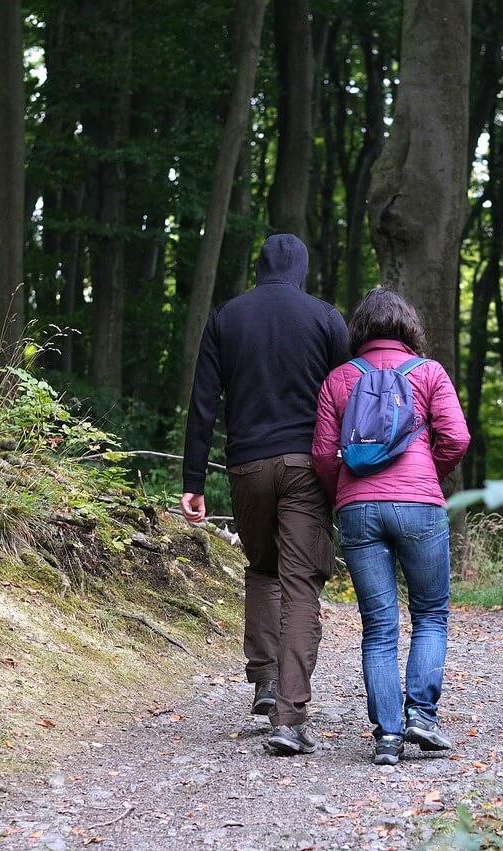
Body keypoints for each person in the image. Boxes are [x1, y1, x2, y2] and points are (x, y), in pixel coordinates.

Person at [181, 233, 350, 756]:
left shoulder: (226, 317)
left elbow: (203, 402)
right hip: (306, 465)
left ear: (258, 268)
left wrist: (192, 481)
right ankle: (289, 718)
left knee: (262, 569)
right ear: (301, 268)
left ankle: (265, 681)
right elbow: (349, 392)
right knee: (301, 586)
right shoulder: (326, 317)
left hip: (246, 465)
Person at [311, 288, 470, 766]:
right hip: (419, 505)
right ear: (409, 328)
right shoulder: (429, 373)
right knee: (430, 614)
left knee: (379, 626)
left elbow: (321, 453)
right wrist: (428, 476)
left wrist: (346, 488)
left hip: (358, 509)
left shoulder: (338, 379)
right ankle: (422, 715)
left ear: (358, 330)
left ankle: (387, 737)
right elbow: (457, 437)